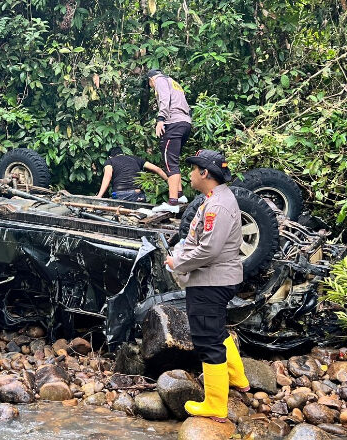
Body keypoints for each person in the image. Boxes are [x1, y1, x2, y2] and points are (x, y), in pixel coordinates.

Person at [164, 149, 249, 422]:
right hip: (215, 279)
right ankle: (237, 377)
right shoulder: (213, 199)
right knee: (215, 329)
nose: (189, 174)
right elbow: (198, 241)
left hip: (212, 281)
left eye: (193, 169)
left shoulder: (218, 205)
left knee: (206, 339)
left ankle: (215, 405)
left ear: (204, 173)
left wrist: (178, 264)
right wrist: (178, 255)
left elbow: (208, 250)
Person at [147, 69, 193, 213]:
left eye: (150, 85)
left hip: (173, 123)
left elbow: (164, 99)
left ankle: (172, 203)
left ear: (151, 80)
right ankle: (179, 196)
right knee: (174, 160)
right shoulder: (173, 82)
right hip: (185, 123)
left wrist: (161, 119)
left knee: (169, 162)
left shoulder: (159, 80)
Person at [95, 147, 170, 202]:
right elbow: (157, 169)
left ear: (110, 156)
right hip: (137, 193)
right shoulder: (136, 159)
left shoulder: (110, 161)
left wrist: (99, 195)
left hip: (121, 194)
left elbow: (108, 176)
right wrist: (169, 182)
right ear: (123, 153)